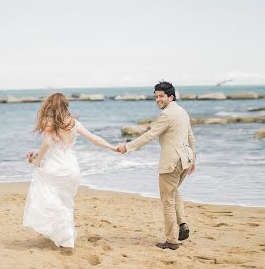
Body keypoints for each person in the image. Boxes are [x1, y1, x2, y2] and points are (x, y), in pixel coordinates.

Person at [23, 93, 117, 250]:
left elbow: (47, 144)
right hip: (72, 168)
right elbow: (94, 138)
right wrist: (113, 147)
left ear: (50, 106)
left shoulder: (49, 122)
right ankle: (61, 235)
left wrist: (37, 162)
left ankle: (66, 238)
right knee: (65, 202)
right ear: (65, 105)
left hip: (55, 169)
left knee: (49, 199)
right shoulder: (74, 123)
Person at [116, 81, 195, 250]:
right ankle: (182, 224)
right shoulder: (182, 112)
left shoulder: (166, 115)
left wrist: (127, 147)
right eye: (156, 96)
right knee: (173, 191)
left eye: (161, 96)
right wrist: (193, 160)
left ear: (171, 97)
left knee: (167, 200)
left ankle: (172, 241)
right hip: (185, 159)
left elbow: (149, 135)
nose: (158, 99)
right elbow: (191, 137)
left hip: (172, 162)